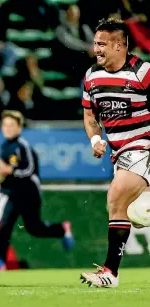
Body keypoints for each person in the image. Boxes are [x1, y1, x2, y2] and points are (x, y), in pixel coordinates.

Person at [80, 17, 150, 288]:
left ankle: (110, 272)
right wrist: (95, 138)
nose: (96, 49)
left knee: (116, 197)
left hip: (143, 145)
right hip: (119, 153)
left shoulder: (142, 72)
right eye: (96, 43)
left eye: (102, 44)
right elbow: (89, 115)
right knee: (121, 208)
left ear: (120, 45)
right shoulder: (91, 77)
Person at [0, 110, 74, 270]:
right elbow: (5, 173)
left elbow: (29, 169)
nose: (7, 128)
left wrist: (10, 171)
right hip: (13, 193)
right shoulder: (5, 147)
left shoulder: (23, 146)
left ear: (19, 128)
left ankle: (61, 229)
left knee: (34, 228)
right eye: (5, 125)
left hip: (29, 193)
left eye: (11, 125)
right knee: (5, 226)